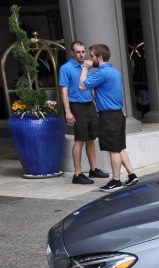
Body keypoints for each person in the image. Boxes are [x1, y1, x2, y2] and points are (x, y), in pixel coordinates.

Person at [79, 43, 138, 192]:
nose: (89, 58)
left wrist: (85, 68)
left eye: (91, 56)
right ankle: (131, 175)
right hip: (117, 114)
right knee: (119, 147)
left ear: (99, 57)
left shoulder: (102, 73)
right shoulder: (113, 71)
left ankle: (116, 181)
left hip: (109, 116)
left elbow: (82, 86)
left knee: (114, 150)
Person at [59, 41, 108, 184]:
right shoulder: (66, 68)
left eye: (83, 51)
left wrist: (96, 103)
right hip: (76, 106)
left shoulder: (87, 66)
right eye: (78, 52)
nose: (81, 54)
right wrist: (67, 111)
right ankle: (77, 174)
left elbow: (91, 86)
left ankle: (93, 169)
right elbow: (64, 90)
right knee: (79, 140)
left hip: (89, 105)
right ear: (72, 53)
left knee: (91, 139)